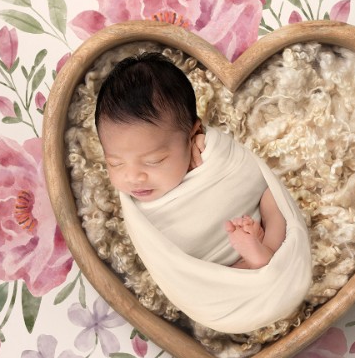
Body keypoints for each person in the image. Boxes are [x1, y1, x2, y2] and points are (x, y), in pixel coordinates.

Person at [94, 52, 285, 270]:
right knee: (201, 277)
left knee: (273, 195)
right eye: (115, 163)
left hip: (254, 225)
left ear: (193, 133)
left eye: (154, 160)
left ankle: (265, 251)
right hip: (211, 267)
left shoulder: (207, 149)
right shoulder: (135, 202)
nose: (133, 177)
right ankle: (252, 263)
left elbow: (248, 174)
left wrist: (211, 156)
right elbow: (157, 251)